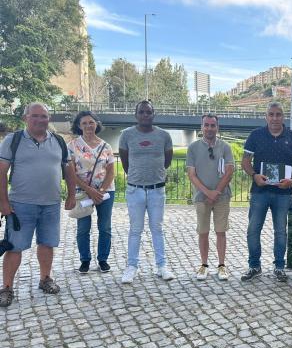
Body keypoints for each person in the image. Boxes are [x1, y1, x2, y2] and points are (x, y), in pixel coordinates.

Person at [0, 103, 76, 308]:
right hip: (20, 205)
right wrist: (3, 202)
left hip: (51, 205)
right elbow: (1, 172)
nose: (40, 120)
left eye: (44, 116)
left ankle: (45, 279)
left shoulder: (59, 141)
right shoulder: (12, 140)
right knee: (15, 247)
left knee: (47, 243)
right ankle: (6, 287)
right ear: (26, 118)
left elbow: (68, 170)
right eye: (35, 116)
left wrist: (71, 194)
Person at [241, 102, 292, 282]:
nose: (275, 118)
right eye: (271, 114)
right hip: (259, 191)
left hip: (283, 193)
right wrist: (254, 175)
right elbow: (245, 161)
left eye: (278, 114)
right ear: (266, 117)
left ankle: (279, 267)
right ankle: (254, 266)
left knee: (280, 231)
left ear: (283, 117)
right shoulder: (256, 135)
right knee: (253, 230)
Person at [118, 100, 174, 284]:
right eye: (141, 112)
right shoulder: (126, 135)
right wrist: (138, 175)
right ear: (136, 115)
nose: (145, 115)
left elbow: (167, 161)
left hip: (157, 190)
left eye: (148, 112)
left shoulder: (164, 135)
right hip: (135, 190)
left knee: (157, 228)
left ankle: (162, 265)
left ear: (153, 114)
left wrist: (153, 174)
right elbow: (126, 163)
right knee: (135, 230)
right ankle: (131, 266)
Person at [186, 114, 234, 280]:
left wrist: (216, 193)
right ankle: (204, 265)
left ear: (217, 127)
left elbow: (229, 172)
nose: (209, 128)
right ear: (202, 127)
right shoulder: (193, 148)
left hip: (222, 196)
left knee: (221, 231)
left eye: (212, 125)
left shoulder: (225, 147)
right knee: (203, 232)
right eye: (206, 125)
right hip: (201, 197)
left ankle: (221, 265)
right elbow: (191, 175)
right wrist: (207, 193)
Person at [68, 111, 115, 274]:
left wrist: (100, 191)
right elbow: (71, 173)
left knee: (105, 227)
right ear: (79, 126)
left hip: (105, 192)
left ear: (96, 124)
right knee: (83, 228)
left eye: (91, 122)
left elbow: (110, 171)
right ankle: (85, 260)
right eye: (84, 123)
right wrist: (90, 190)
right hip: (82, 191)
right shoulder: (73, 145)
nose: (88, 126)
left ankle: (103, 259)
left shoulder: (106, 146)